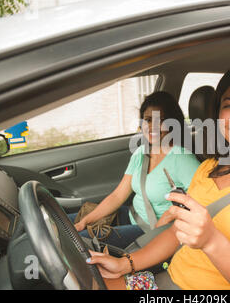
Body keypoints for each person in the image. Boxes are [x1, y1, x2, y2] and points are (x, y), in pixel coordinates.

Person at [86, 64, 230, 290]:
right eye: (229, 106)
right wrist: (124, 264)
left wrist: (211, 241)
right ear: (218, 115)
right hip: (164, 281)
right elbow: (177, 231)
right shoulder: (209, 168)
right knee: (87, 283)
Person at [69, 91, 200, 248]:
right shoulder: (141, 153)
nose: (152, 126)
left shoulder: (182, 158)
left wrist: (169, 217)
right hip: (132, 216)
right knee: (66, 222)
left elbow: (201, 201)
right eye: (148, 120)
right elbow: (118, 196)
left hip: (154, 230)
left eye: (161, 120)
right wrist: (86, 220)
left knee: (80, 241)